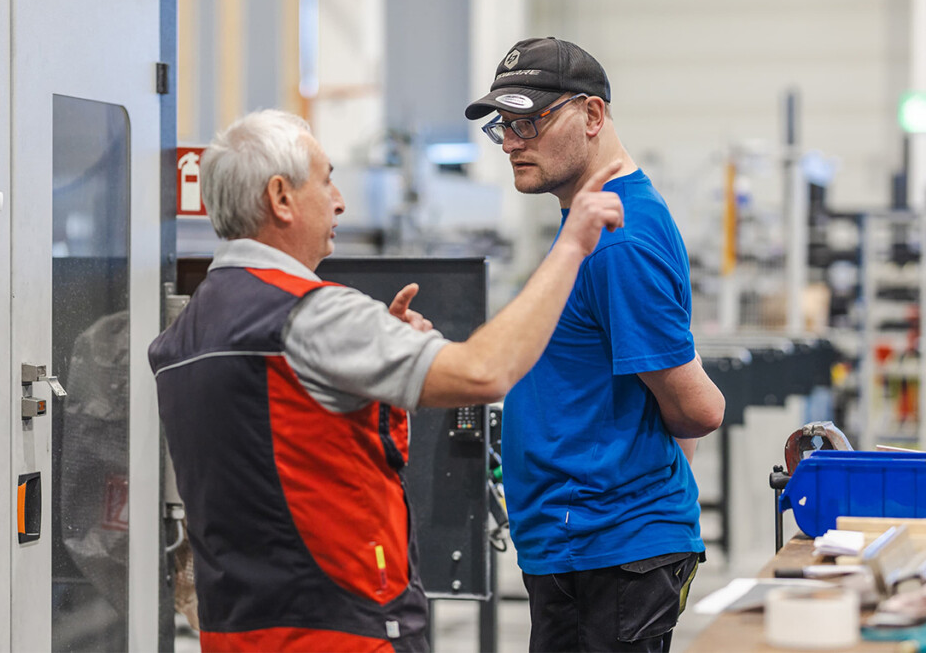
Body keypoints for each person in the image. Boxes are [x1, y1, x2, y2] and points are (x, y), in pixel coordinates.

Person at [147, 109, 624, 653]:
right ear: (280, 198)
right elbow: (485, 373)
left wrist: (381, 354)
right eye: (326, 179)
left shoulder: (187, 331)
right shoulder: (310, 315)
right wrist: (572, 246)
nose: (341, 201)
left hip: (237, 632)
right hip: (341, 630)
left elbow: (287, 451)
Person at [465, 37, 726, 653]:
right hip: (584, 541)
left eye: (529, 121)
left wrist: (630, 489)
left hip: (606, 550)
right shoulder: (595, 219)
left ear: (592, 116)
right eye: (503, 124)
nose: (509, 141)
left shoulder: (618, 240)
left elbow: (698, 408)